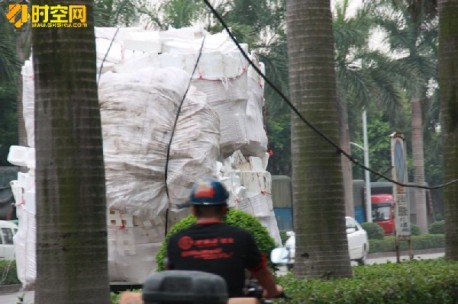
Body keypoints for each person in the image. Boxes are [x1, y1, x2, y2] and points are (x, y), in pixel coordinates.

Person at [166, 177, 283, 299]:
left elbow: (169, 277)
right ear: (224, 209)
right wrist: (272, 291)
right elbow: (261, 272)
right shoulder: (241, 238)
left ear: (194, 210)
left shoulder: (176, 241)